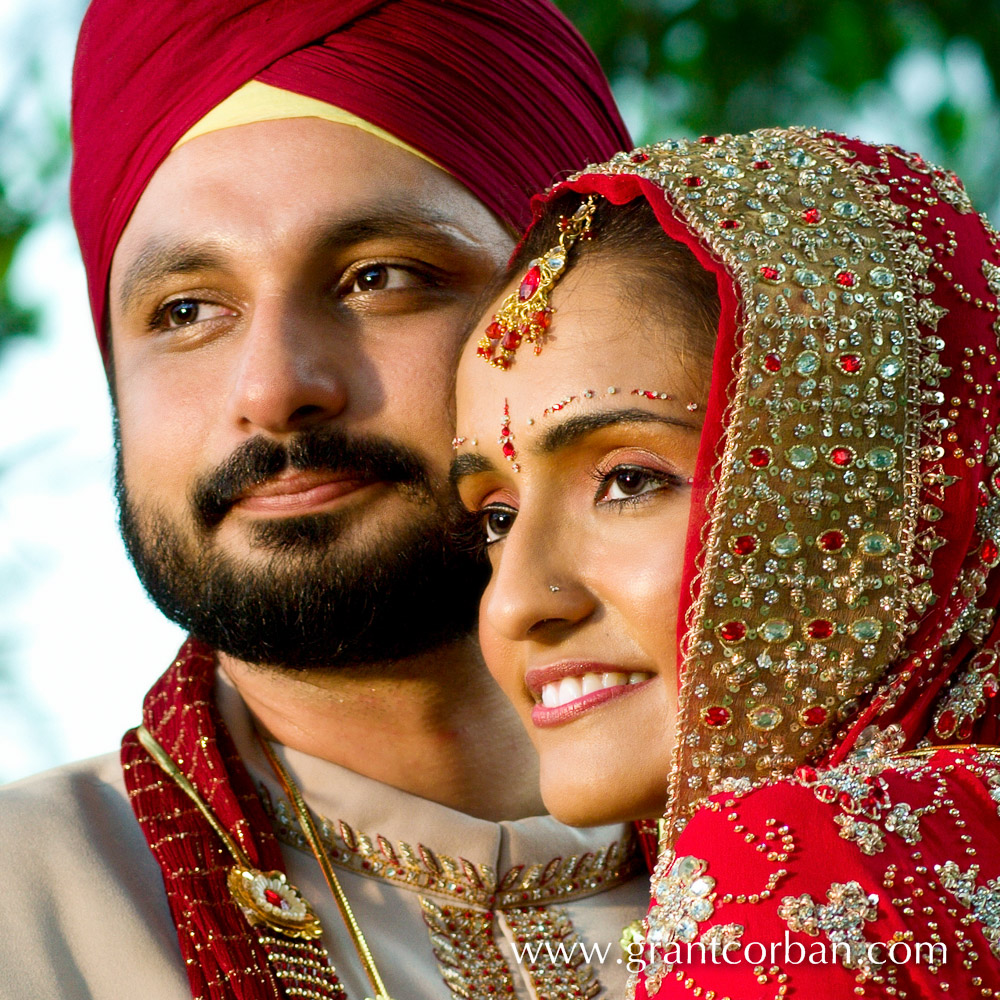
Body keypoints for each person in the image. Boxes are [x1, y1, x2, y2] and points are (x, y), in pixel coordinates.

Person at [0, 3, 648, 999]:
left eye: (379, 278)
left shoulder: (897, 859)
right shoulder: (34, 910)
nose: (272, 387)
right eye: (185, 310)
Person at [453, 127, 1000, 998]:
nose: (514, 602)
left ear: (865, 497)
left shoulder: (791, 872)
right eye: (495, 516)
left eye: (627, 481)